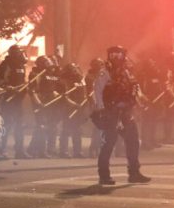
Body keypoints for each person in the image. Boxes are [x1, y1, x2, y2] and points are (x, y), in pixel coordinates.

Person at [92, 46, 150, 185]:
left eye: (119, 54)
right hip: (111, 112)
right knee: (109, 144)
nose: (117, 57)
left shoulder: (126, 72)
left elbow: (135, 87)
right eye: (114, 54)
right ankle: (104, 175)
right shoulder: (104, 72)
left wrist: (140, 99)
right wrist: (101, 109)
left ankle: (134, 173)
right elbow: (97, 91)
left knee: (133, 142)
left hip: (126, 113)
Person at [0, 45, 29, 159]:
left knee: (20, 126)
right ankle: (2, 150)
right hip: (8, 99)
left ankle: (19, 151)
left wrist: (25, 87)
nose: (20, 54)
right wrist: (7, 87)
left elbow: (22, 80)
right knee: (7, 124)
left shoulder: (22, 65)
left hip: (18, 100)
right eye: (17, 52)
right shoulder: (5, 65)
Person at [28, 56, 58, 158]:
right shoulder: (35, 74)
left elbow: (52, 88)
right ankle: (41, 151)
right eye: (46, 62)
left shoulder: (50, 74)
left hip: (50, 104)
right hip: (40, 104)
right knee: (41, 126)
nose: (49, 64)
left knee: (47, 127)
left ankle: (32, 149)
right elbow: (32, 91)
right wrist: (38, 103)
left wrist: (55, 93)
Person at [59, 63, 86, 158]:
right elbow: (64, 96)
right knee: (66, 130)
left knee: (78, 130)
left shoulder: (81, 81)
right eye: (74, 69)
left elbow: (84, 94)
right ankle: (63, 151)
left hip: (79, 108)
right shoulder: (65, 81)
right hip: (68, 109)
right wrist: (73, 104)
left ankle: (77, 151)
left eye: (77, 69)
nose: (76, 71)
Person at [85, 58, 105, 158]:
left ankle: (101, 148)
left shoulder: (103, 76)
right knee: (97, 127)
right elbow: (90, 92)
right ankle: (93, 148)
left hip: (104, 103)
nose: (101, 67)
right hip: (95, 104)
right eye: (99, 65)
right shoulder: (89, 77)